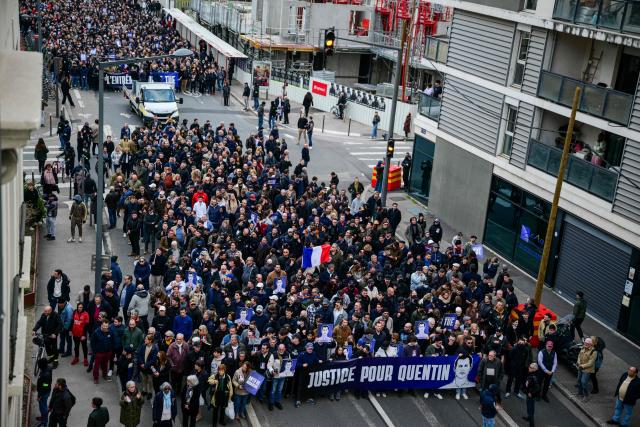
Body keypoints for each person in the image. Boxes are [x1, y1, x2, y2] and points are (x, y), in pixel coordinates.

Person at [576, 337, 597, 401]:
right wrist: (578, 362)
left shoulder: (594, 352)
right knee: (579, 381)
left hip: (587, 370)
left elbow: (590, 363)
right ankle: (580, 393)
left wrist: (582, 366)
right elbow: (579, 356)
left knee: (583, 382)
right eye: (585, 343)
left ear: (591, 344)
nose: (585, 344)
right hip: (580, 367)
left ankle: (586, 395)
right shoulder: (583, 348)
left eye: (587, 344)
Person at [36, 359, 52, 427]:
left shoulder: (45, 375)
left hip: (43, 393)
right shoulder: (48, 369)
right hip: (45, 391)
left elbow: (44, 386)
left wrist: (39, 396)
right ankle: (43, 418)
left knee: (43, 407)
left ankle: (44, 422)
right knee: (43, 406)